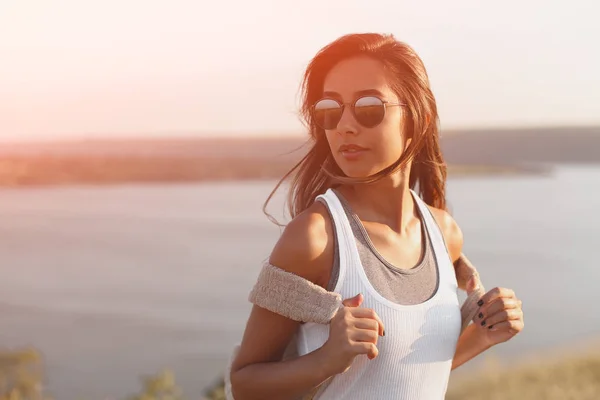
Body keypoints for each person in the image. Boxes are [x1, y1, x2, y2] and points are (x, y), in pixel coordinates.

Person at [229, 32, 524, 400]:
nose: (345, 126)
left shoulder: (444, 232)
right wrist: (326, 360)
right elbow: (244, 384)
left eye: (369, 108)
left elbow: (407, 376)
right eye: (330, 111)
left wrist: (482, 335)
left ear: (419, 116)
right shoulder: (315, 238)